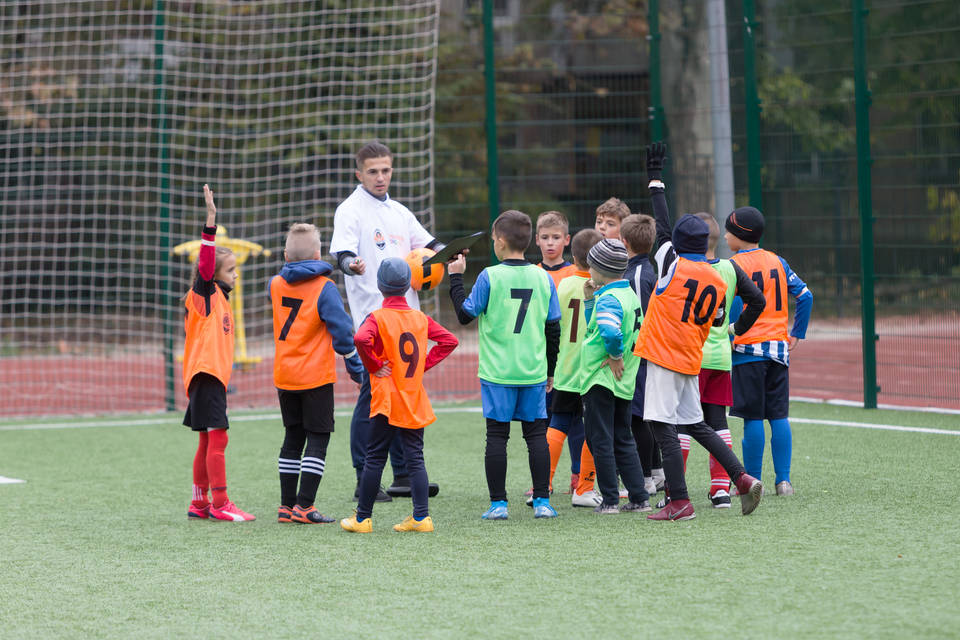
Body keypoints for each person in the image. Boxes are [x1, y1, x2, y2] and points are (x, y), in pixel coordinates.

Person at [633, 142, 763, 521]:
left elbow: (660, 224)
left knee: (662, 427)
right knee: (696, 424)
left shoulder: (670, 262)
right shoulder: (716, 274)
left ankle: (680, 501)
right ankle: (740, 478)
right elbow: (721, 317)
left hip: (662, 357)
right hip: (690, 358)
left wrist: (654, 180)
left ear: (678, 242)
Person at [329, 141, 444, 501]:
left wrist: (451, 256)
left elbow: (430, 247)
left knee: (401, 394)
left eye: (386, 170)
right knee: (371, 396)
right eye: (373, 171)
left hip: (405, 317)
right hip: (373, 320)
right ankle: (364, 476)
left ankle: (405, 475)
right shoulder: (350, 210)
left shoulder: (399, 211)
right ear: (359, 174)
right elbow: (341, 254)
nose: (381, 177)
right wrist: (352, 265)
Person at [448, 210, 561, 520]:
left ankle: (499, 504)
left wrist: (456, 277)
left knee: (497, 437)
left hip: (498, 372)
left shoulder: (489, 276)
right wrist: (550, 369)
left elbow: (464, 315)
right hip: (533, 370)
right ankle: (542, 502)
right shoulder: (543, 277)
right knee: (536, 436)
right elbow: (553, 329)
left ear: (499, 242)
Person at [341, 259, 458, 533]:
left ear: (380, 287)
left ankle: (362, 519)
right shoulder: (420, 318)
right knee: (415, 457)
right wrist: (423, 364)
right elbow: (449, 341)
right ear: (408, 285)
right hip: (413, 397)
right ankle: (421, 517)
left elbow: (360, 339)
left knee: (374, 457)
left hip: (386, 400)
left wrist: (372, 364)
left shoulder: (377, 317)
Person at [270, 223, 365, 524]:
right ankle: (305, 506)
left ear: (285, 255)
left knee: (292, 437)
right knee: (318, 437)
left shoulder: (275, 284)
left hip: (285, 375)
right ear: (318, 253)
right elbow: (342, 332)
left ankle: (286, 506)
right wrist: (354, 365)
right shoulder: (324, 288)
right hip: (315, 376)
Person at [726, 206, 813, 496]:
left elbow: (735, 305)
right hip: (778, 351)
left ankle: (751, 481)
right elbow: (805, 295)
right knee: (778, 416)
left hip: (747, 351)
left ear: (737, 235)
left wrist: (732, 329)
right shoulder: (778, 261)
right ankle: (784, 481)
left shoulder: (733, 265)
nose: (725, 236)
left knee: (752, 417)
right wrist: (797, 333)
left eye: (728, 231)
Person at [183, 185, 254, 522]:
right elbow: (207, 264)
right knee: (218, 438)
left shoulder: (219, 298)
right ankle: (221, 503)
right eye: (231, 270)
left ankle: (199, 503)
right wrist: (211, 221)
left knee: (205, 441)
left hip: (208, 377)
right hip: (206, 375)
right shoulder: (206, 293)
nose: (235, 274)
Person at [580, 238, 651, 514]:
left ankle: (609, 499)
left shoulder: (608, 298)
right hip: (623, 380)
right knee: (623, 437)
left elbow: (610, 332)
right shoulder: (628, 295)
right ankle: (638, 496)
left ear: (600, 269)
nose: (588, 271)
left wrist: (615, 354)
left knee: (600, 439)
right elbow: (597, 327)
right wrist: (589, 301)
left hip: (601, 377)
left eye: (591, 266)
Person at [544, 228, 603, 507]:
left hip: (566, 368)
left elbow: (553, 326)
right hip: (592, 371)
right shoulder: (601, 289)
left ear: (572, 256)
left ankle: (541, 483)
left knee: (557, 423)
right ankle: (584, 488)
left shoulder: (564, 285)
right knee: (592, 427)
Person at [527, 210, 581, 498]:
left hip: (572, 361)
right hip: (543, 359)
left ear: (567, 240)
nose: (550, 243)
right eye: (545, 237)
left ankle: (578, 476)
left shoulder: (576, 274)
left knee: (574, 421)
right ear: (536, 240)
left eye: (556, 237)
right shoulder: (532, 274)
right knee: (544, 421)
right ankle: (543, 481)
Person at [620, 213, 664, 498]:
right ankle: (657, 472)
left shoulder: (636, 275)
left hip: (641, 356)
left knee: (639, 417)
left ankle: (646, 477)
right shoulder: (644, 269)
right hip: (646, 354)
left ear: (624, 242)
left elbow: (639, 319)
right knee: (644, 416)